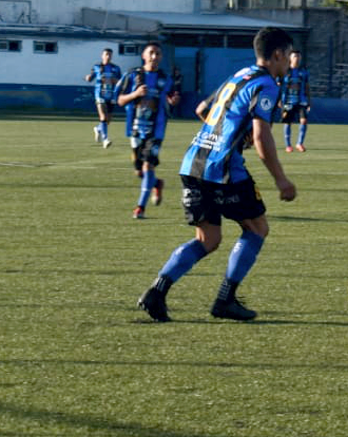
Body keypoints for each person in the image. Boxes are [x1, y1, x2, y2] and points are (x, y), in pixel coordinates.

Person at [137, 27, 297, 323]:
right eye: (288, 55)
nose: (290, 61)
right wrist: (281, 180)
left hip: (193, 162)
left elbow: (202, 109)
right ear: (277, 54)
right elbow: (261, 137)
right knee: (257, 228)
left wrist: (229, 133)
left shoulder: (240, 75)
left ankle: (156, 292)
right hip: (221, 168)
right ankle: (225, 299)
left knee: (208, 238)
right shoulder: (267, 85)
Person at [115, 42, 179, 219]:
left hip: (156, 130)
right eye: (151, 53)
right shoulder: (132, 75)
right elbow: (120, 100)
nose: (154, 56)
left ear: (161, 57)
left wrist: (173, 101)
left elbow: (173, 97)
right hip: (136, 129)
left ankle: (140, 208)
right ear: (143, 55)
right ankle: (157, 183)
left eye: (158, 53)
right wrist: (135, 94)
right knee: (140, 172)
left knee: (148, 165)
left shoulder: (166, 79)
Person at [85, 48, 122, 148]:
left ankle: (98, 129)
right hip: (100, 95)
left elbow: (121, 82)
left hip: (111, 96)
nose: (108, 56)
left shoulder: (116, 68)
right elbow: (90, 77)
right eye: (106, 54)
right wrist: (88, 77)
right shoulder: (97, 67)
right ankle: (105, 139)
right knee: (103, 117)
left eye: (110, 55)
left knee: (108, 120)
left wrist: (115, 81)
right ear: (102, 56)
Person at [280, 50, 311, 152]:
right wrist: (279, 99)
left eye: (298, 57)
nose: (297, 59)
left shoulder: (303, 71)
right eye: (295, 57)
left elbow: (307, 86)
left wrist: (309, 100)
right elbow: (278, 85)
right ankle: (288, 145)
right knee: (288, 122)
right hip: (288, 101)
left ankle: (299, 143)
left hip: (301, 100)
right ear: (290, 58)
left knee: (304, 120)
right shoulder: (285, 71)